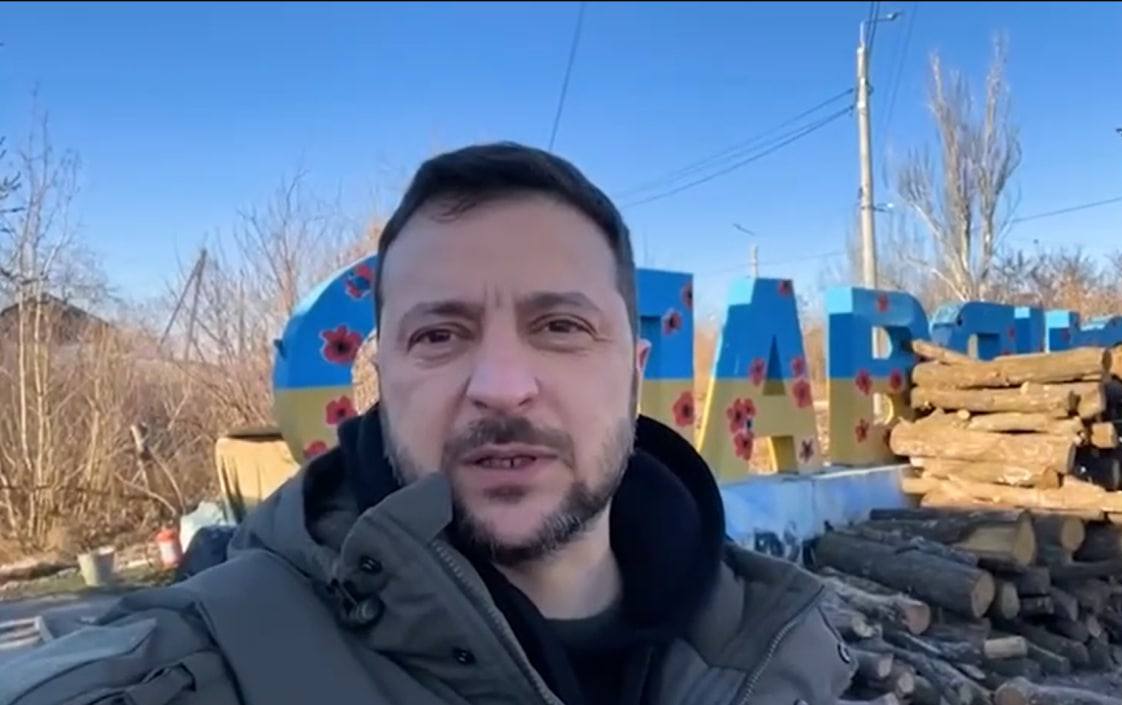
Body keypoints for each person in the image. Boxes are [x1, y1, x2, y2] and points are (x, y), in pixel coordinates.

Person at [2, 143, 853, 705]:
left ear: (634, 373)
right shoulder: (195, 666)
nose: (502, 386)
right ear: (382, 377)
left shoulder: (790, 641)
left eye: (560, 326)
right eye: (440, 335)